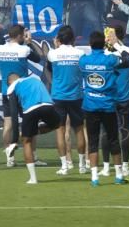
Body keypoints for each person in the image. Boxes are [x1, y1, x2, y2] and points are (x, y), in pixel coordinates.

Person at [79, 30, 129, 186]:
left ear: (90, 44)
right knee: (113, 140)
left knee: (93, 141)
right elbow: (128, 60)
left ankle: (94, 178)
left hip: (90, 105)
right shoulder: (110, 59)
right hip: (108, 105)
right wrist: (116, 44)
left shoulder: (83, 61)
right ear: (104, 44)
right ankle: (118, 176)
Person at [0, 25, 45, 167]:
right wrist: (29, 42)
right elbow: (38, 58)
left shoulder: (0, 49)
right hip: (23, 93)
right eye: (23, 35)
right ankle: (33, 156)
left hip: (7, 92)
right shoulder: (24, 49)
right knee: (31, 124)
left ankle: (9, 158)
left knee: (8, 125)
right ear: (19, 36)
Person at [6, 72, 61, 184]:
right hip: (48, 106)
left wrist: (14, 141)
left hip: (30, 110)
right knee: (58, 124)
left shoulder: (11, 87)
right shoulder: (35, 79)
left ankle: (33, 179)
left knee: (26, 142)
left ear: (10, 82)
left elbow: (14, 114)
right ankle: (35, 130)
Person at [47, 25, 86, 175]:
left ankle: (64, 166)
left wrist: (57, 46)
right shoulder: (80, 54)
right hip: (76, 96)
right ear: (73, 39)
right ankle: (82, 165)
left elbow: (49, 68)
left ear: (58, 39)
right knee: (79, 130)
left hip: (59, 97)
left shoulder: (53, 54)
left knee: (60, 131)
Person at [100, 25, 129, 178]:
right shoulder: (106, 53)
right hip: (112, 98)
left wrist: (115, 44)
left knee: (121, 131)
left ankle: (119, 167)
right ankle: (109, 167)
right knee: (113, 131)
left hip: (120, 99)